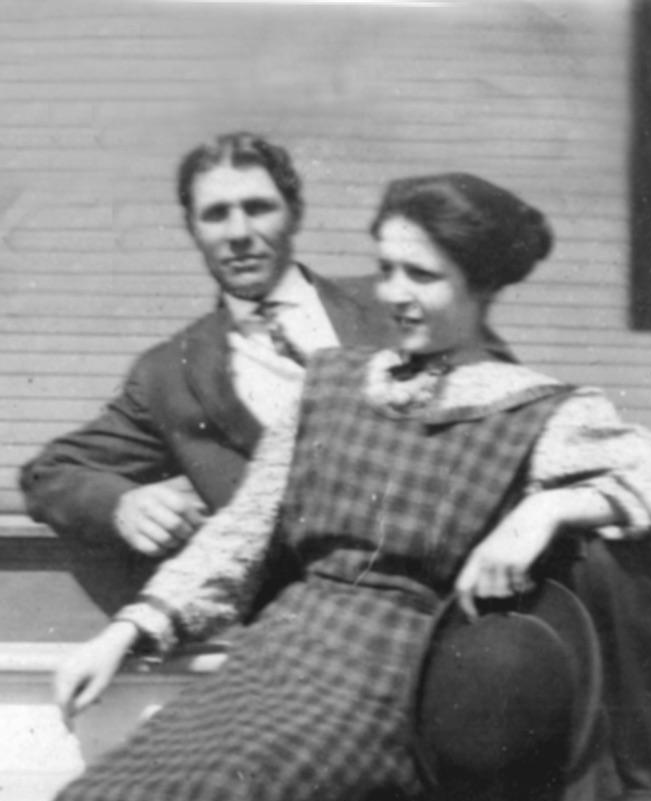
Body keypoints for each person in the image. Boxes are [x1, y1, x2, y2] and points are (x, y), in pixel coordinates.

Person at [0, 172, 651, 801]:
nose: (396, 294)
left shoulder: (544, 410)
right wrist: (132, 627)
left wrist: (550, 510)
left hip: (388, 676)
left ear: (481, 287)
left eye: (425, 275)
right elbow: (245, 531)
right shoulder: (330, 384)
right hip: (280, 652)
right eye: (387, 269)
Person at [18, 130, 396, 614]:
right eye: (216, 214)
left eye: (258, 207)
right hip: (300, 623)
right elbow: (49, 474)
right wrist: (122, 503)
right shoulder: (167, 376)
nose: (238, 232)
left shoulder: (393, 303)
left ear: (294, 213)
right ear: (194, 230)